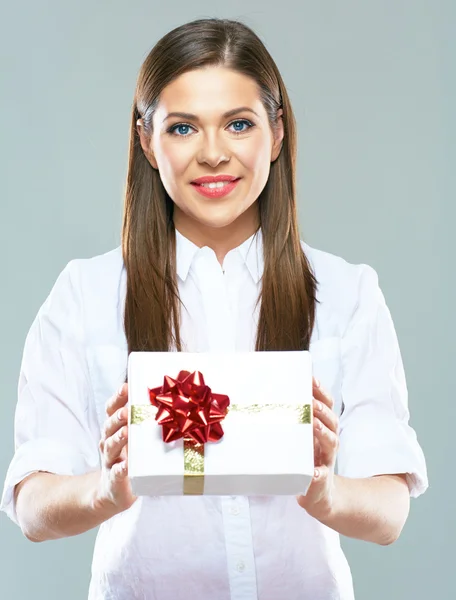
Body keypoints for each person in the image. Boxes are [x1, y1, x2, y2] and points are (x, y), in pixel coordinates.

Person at [1, 17, 428, 600]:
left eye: (239, 124)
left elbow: (390, 511)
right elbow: (31, 505)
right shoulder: (85, 294)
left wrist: (325, 490)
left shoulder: (347, 291)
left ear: (276, 135)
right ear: (148, 142)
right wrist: (106, 488)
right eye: (182, 128)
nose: (213, 154)